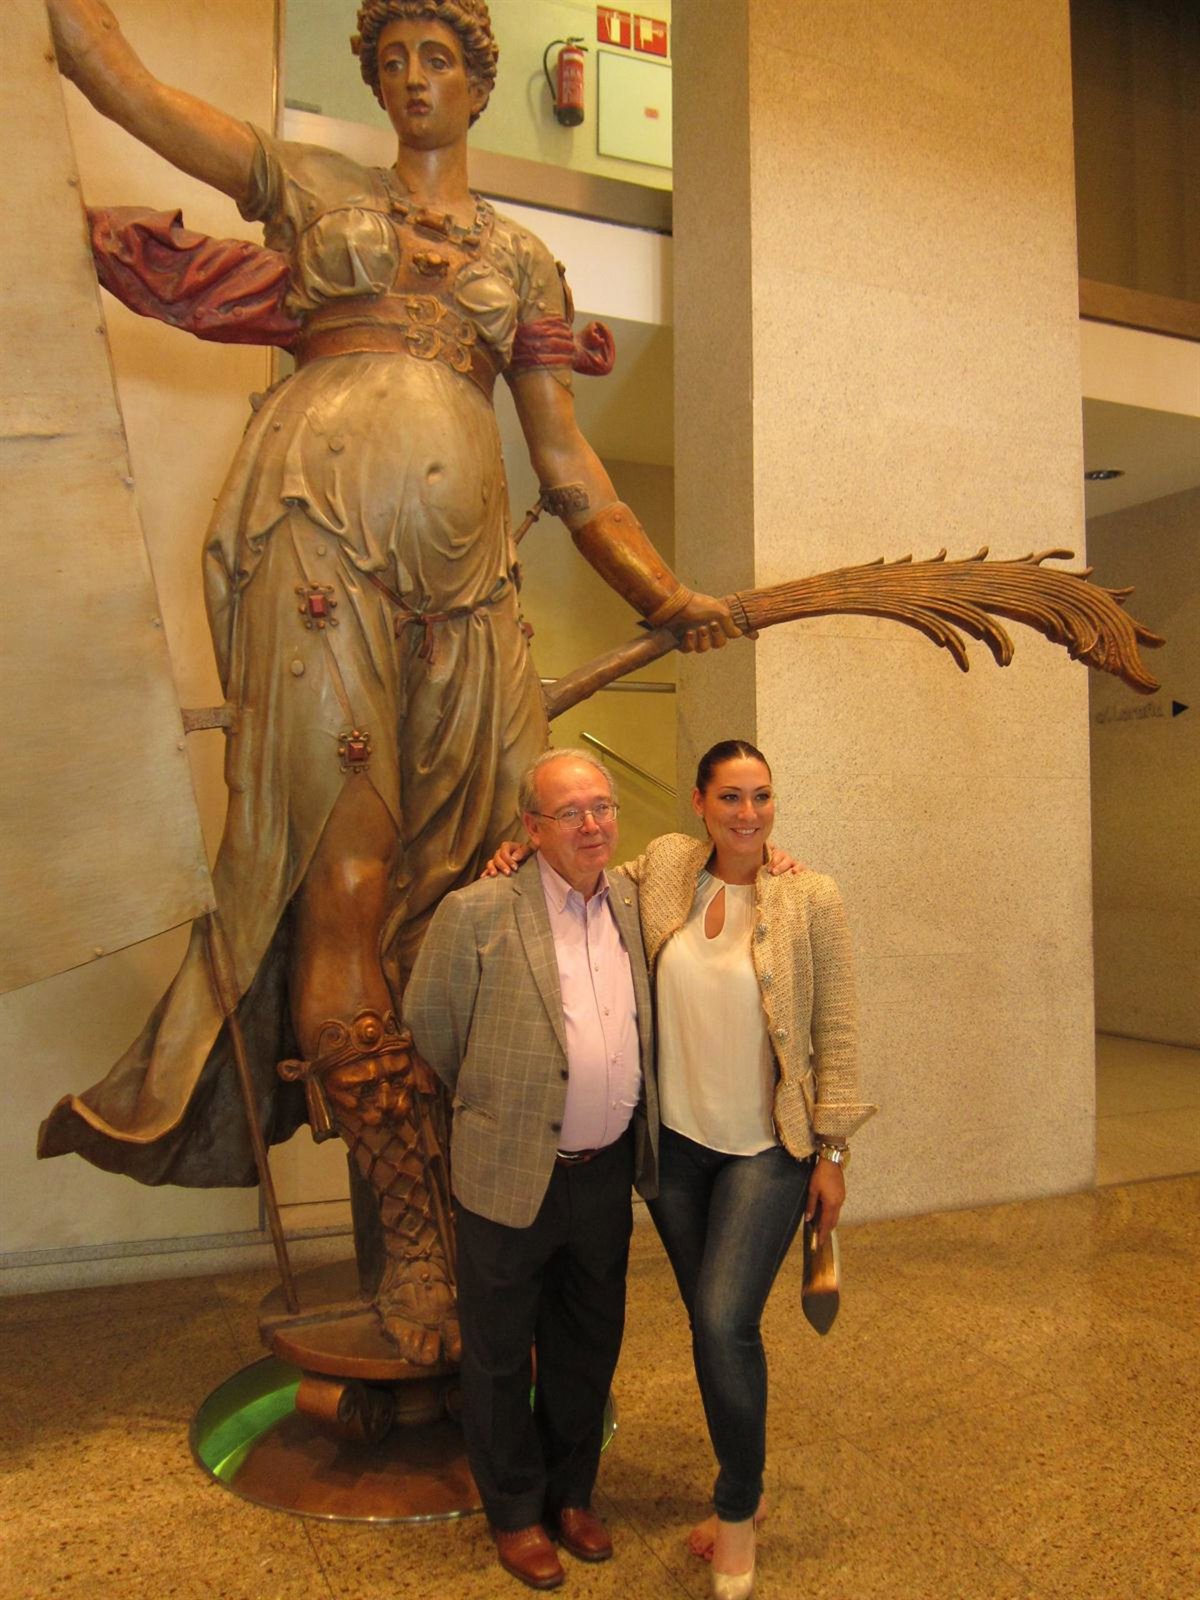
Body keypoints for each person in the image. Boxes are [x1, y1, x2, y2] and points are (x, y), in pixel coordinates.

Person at [36, 0, 738, 1365]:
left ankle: (486, 1215)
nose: (415, 80)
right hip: (311, 536)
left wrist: (665, 593)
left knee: (485, 895)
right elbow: (124, 83)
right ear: (372, 81)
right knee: (343, 886)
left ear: (480, 85)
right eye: (393, 61)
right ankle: (414, 1237)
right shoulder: (309, 184)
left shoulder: (524, 261)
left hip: (469, 588)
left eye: (440, 61)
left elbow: (570, 468)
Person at [486, 739, 876, 1600]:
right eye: (730, 797)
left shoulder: (810, 897)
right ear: (699, 803)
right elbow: (582, 871)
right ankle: (750, 1482)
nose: (749, 813)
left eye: (762, 796)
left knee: (725, 1320)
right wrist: (518, 853)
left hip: (767, 1151)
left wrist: (834, 1153)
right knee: (709, 1325)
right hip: (677, 1151)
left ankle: (737, 1509)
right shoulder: (664, 869)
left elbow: (838, 1034)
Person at [404, 749, 656, 1591]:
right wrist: (499, 1106)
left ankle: (571, 1494)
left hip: (604, 1173)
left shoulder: (635, 902)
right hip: (510, 1169)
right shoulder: (477, 911)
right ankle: (514, 1511)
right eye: (569, 812)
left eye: (602, 807)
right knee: (501, 1353)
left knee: (588, 1343)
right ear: (531, 828)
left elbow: (728, 851)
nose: (592, 825)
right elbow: (432, 1026)